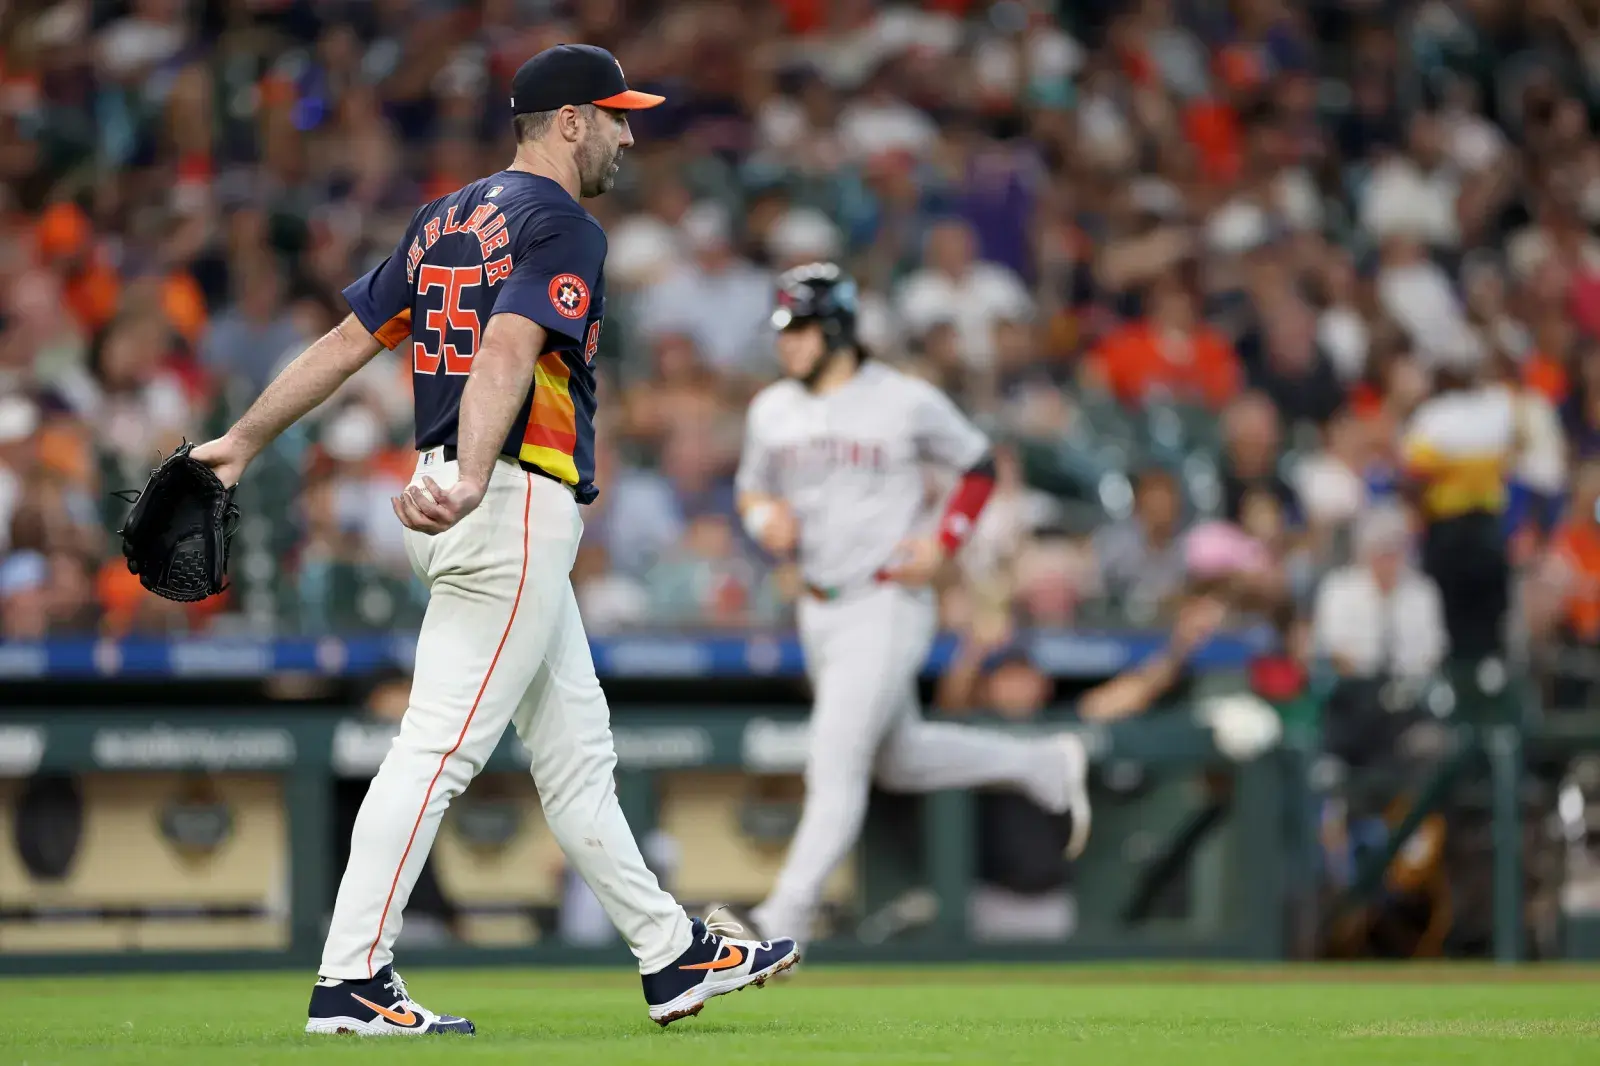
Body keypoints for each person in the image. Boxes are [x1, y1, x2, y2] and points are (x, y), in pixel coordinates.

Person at [190, 44, 797, 1036]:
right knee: (435, 750)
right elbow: (510, 343)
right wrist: (475, 471)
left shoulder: (448, 215)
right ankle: (351, 979)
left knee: (575, 755)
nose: (627, 132)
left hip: (468, 492)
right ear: (567, 121)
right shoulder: (561, 219)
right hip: (502, 494)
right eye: (613, 114)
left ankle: (670, 952)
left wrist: (241, 441)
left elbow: (350, 341)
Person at [733, 262, 1092, 948]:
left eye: (799, 329)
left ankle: (779, 923)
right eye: (783, 331)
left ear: (835, 328)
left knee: (834, 761)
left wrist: (945, 541)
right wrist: (761, 522)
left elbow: (980, 465)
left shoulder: (903, 399)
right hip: (817, 607)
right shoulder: (770, 409)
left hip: (887, 599)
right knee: (897, 758)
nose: (787, 344)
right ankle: (1041, 765)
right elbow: (752, 490)